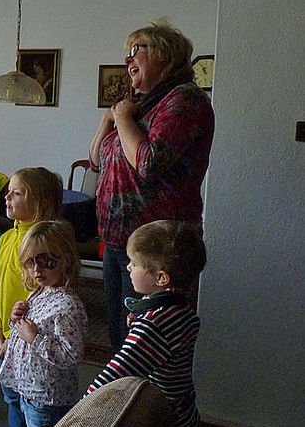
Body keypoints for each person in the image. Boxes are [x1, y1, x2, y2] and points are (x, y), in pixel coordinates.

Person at [89, 20, 214, 349]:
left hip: (157, 247)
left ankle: (148, 401)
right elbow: (96, 161)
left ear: (165, 55)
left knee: (148, 343)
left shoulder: (184, 100)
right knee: (120, 332)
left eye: (135, 51)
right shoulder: (138, 106)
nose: (127, 60)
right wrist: (109, 120)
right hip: (118, 241)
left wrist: (123, 119)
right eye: (126, 54)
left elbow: (149, 162)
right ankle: (122, 399)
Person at [86, 220, 206, 427]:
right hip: (183, 416)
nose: (128, 267)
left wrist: (84, 405)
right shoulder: (178, 307)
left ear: (161, 278)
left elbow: (118, 372)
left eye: (134, 263)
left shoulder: (154, 325)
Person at [0, 221, 87, 427]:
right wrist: (16, 319)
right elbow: (28, 328)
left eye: (46, 261)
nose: (37, 269)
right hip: (29, 390)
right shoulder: (40, 291)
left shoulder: (66, 306)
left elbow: (72, 355)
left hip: (47, 399)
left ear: (65, 260)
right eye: (30, 262)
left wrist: (34, 338)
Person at [0, 167, 62, 367]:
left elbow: (42, 303)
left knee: (27, 397)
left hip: (29, 343)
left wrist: (13, 339)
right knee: (9, 396)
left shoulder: (45, 247)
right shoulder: (6, 238)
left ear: (41, 204)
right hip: (3, 337)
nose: (7, 196)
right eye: (9, 191)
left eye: (17, 193)